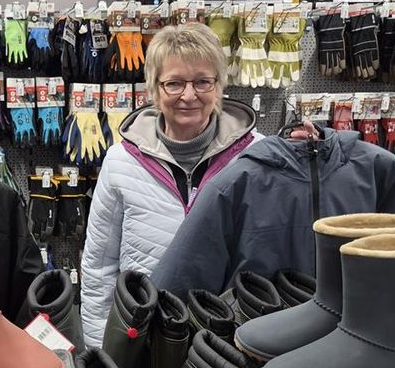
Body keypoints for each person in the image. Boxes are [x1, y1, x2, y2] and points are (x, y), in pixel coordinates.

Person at [80, 22, 261, 348]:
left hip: (229, 340)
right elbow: (99, 265)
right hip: (147, 336)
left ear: (219, 86)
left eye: (203, 81)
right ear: (154, 88)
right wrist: (100, 350)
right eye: (174, 83)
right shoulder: (121, 162)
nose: (189, 96)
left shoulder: (255, 157)